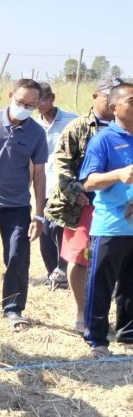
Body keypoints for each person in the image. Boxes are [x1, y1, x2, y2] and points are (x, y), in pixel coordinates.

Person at [0, 79, 48, 331]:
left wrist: (39, 215)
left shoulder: (37, 133)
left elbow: (39, 175)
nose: (24, 108)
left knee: (17, 256)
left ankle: (13, 309)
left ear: (38, 104)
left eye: (31, 105)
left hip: (17, 207)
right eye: (20, 102)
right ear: (10, 95)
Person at [44, 77, 119, 332]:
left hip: (119, 205)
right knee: (80, 257)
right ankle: (82, 311)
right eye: (108, 96)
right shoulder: (78, 127)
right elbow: (62, 165)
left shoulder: (126, 126)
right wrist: (75, 191)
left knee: (115, 258)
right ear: (95, 96)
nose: (113, 102)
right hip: (84, 204)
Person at [79, 82, 133, 358]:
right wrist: (118, 174)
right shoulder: (103, 139)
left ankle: (128, 335)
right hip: (111, 225)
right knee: (101, 285)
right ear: (114, 107)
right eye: (132, 101)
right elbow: (89, 182)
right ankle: (97, 339)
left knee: (131, 286)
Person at [35, 82, 77, 289]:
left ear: (52, 97)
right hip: (43, 185)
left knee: (61, 230)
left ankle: (63, 272)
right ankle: (51, 271)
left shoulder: (72, 121)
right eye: (36, 102)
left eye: (43, 100)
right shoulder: (33, 125)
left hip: (64, 187)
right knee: (44, 230)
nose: (39, 105)